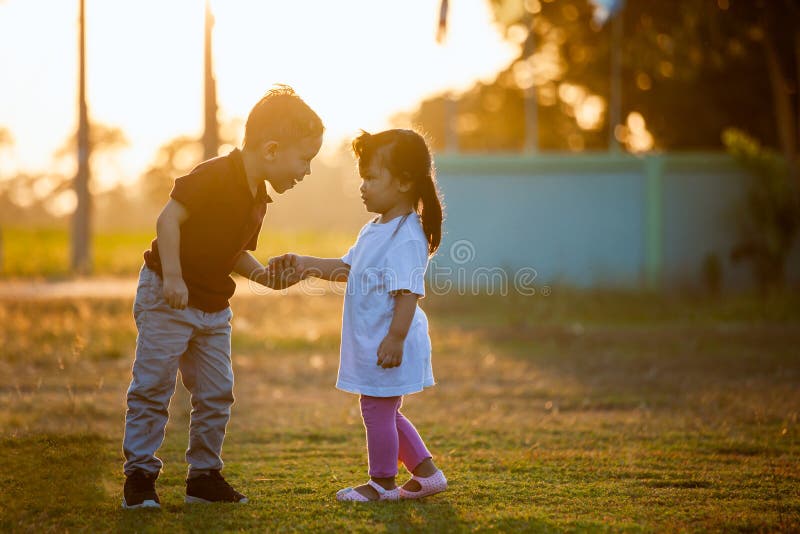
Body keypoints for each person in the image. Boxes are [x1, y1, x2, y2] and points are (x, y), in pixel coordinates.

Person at [121, 85, 323, 509]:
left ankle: (203, 478)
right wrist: (173, 277)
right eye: (304, 159)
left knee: (216, 392)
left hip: (213, 307)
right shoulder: (214, 174)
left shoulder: (258, 199)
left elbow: (235, 252)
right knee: (153, 387)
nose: (306, 172)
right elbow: (168, 219)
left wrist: (264, 276)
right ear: (271, 149)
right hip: (167, 296)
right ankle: (139, 478)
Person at [269, 129, 447, 502]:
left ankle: (382, 483)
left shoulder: (406, 235)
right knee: (386, 409)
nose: (362, 187)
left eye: (370, 178)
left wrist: (395, 338)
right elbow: (348, 267)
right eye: (361, 178)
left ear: (403, 181)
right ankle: (428, 475)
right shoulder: (374, 230)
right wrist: (305, 265)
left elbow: (408, 291)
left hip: (390, 341)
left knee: (376, 408)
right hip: (376, 339)